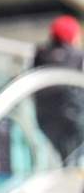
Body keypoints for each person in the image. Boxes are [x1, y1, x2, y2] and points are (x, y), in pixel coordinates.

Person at [31, 15, 84, 165]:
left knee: (66, 157)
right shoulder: (78, 56)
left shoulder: (40, 55)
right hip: (75, 118)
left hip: (44, 119)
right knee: (74, 156)